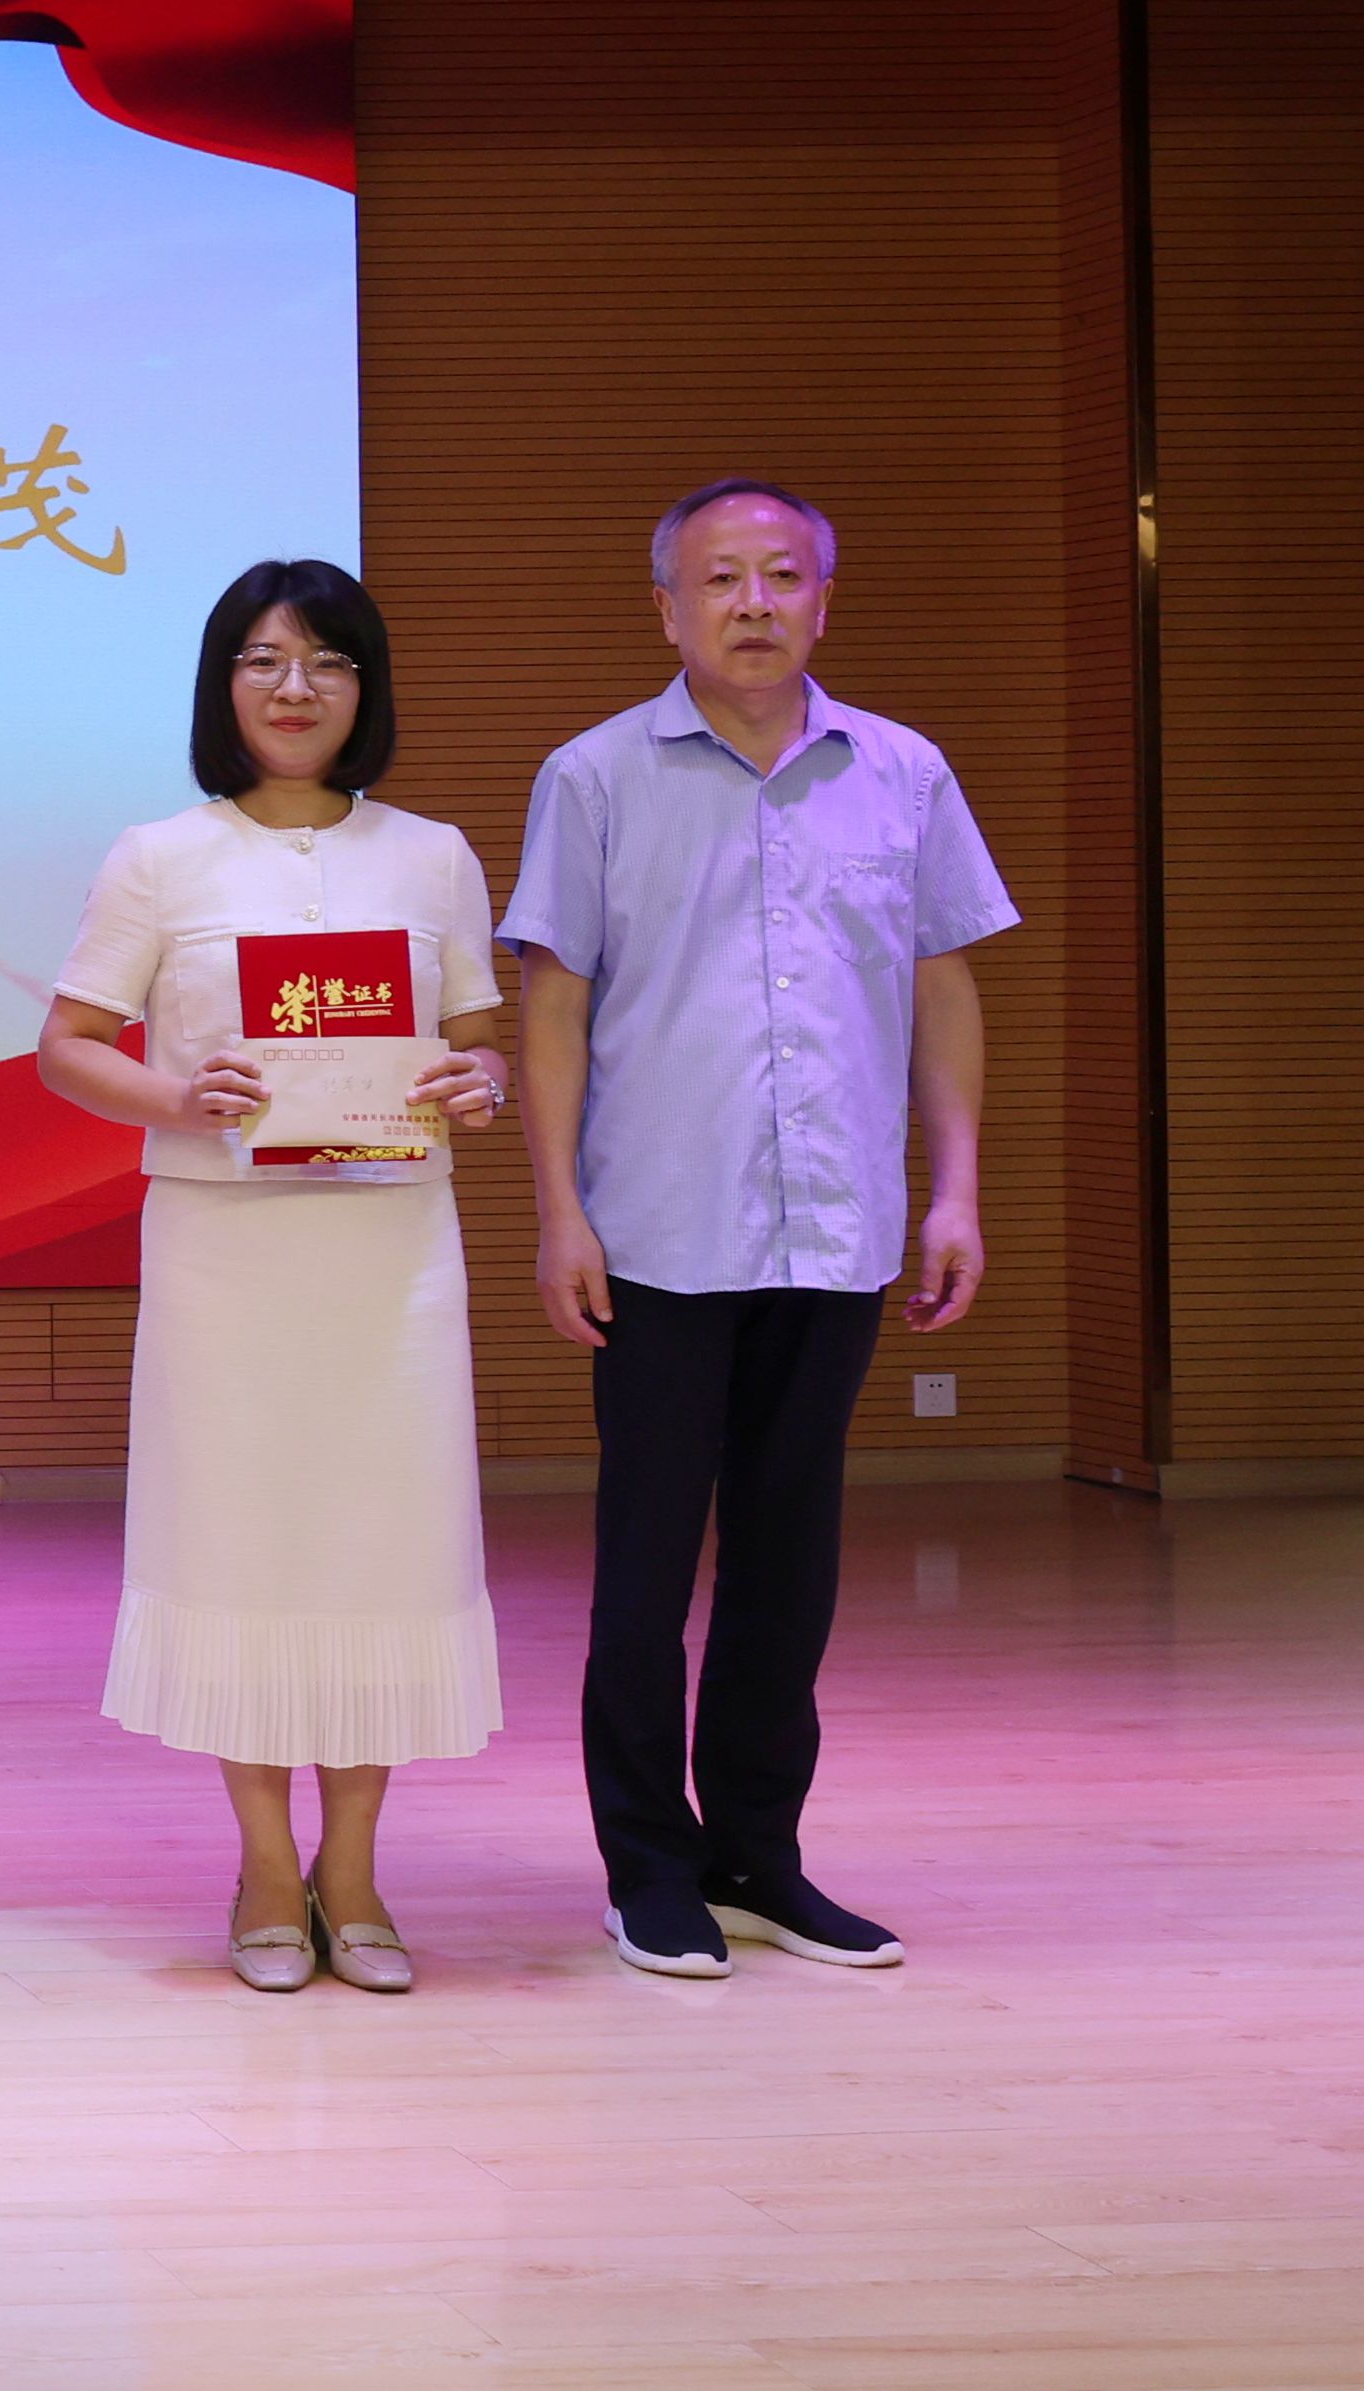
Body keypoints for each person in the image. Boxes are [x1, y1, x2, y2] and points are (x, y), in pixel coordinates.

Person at [506, 479, 1009, 1981]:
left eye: (782, 576)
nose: (753, 603)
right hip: (658, 1231)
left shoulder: (903, 772)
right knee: (646, 1568)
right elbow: (553, 1007)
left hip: (837, 1227)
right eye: (719, 578)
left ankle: (760, 1858)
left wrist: (957, 1188)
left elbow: (942, 988)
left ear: (823, 602)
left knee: (791, 1562)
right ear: (667, 606)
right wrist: (558, 1210)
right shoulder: (594, 776)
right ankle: (647, 1870)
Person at [36, 560, 511, 1996]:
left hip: (388, 1252)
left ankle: (352, 1870)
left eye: (327, 662)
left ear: (367, 688)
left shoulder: (432, 857)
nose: (294, 688)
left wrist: (478, 1082)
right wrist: (179, 1099)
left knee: (381, 1546)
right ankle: (259, 1865)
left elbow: (478, 1044)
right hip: (225, 1254)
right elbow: (69, 1047)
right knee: (238, 1543)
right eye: (263, 660)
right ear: (222, 685)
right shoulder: (158, 858)